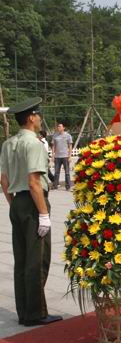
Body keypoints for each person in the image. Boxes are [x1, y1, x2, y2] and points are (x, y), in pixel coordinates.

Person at [0, 97, 62, 327]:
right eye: (37, 114)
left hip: (17, 202)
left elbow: (4, 180)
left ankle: (24, 311)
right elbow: (34, 181)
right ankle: (36, 313)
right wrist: (43, 214)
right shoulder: (34, 144)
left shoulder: (8, 144)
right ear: (30, 118)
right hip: (34, 203)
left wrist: (14, 204)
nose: (39, 118)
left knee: (22, 259)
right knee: (38, 259)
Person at [51, 122, 73, 191]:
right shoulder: (55, 135)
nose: (58, 127)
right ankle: (55, 186)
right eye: (58, 126)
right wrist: (52, 156)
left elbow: (70, 146)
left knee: (67, 172)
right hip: (57, 157)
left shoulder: (68, 135)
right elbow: (53, 146)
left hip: (65, 156)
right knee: (56, 172)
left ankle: (68, 186)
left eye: (60, 126)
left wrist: (70, 156)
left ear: (63, 128)